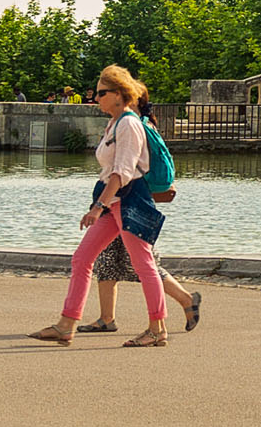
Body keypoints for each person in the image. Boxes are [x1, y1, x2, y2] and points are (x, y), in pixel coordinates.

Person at [27, 64, 170, 348]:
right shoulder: (115, 122)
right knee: (82, 258)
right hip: (114, 202)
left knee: (144, 265)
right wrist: (103, 205)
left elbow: (122, 172)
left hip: (129, 199)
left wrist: (97, 207)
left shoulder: (129, 124)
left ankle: (157, 329)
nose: (96, 98)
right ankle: (67, 324)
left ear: (119, 94)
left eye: (102, 93)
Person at [80, 94, 202, 336]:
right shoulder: (127, 123)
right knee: (108, 263)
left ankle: (185, 301)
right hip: (115, 202)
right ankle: (107, 318)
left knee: (143, 265)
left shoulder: (135, 125)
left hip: (130, 204)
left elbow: (131, 169)